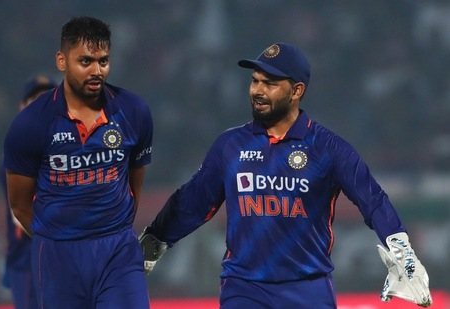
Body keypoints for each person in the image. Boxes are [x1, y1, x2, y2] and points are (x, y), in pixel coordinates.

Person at [139, 42, 432, 308]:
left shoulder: (328, 147)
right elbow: (193, 201)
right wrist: (155, 239)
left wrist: (402, 249)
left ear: (297, 91)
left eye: (270, 83)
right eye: (254, 81)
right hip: (244, 289)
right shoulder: (230, 145)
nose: (257, 90)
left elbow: (373, 199)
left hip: (309, 290)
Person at [3, 16, 153, 308]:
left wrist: (113, 231)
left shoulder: (134, 111)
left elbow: (134, 183)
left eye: (103, 61)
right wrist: (59, 238)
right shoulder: (30, 124)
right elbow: (20, 203)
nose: (97, 71)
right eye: (85, 61)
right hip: (59, 256)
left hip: (118, 251)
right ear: (62, 61)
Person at [0, 75, 56, 309]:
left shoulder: (74, 147)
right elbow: (22, 212)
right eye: (36, 99)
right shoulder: (16, 154)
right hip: (29, 259)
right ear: (22, 107)